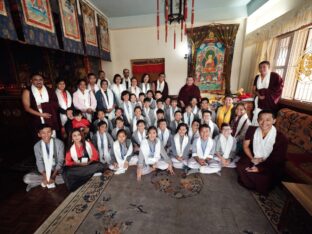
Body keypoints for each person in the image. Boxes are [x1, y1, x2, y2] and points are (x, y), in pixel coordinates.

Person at [236, 110, 288, 195]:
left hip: (269, 163)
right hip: (254, 157)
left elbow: (277, 159)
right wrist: (252, 159)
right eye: (261, 119)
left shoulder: (281, 138)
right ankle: (251, 180)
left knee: (265, 177)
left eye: (268, 120)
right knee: (241, 166)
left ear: (274, 120)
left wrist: (259, 168)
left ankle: (254, 182)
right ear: (257, 120)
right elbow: (245, 146)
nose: (264, 123)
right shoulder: (252, 129)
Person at [23, 124, 64, 191]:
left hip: (57, 170)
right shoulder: (37, 146)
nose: (46, 135)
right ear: (39, 134)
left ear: (52, 132)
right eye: (43, 133)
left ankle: (40, 182)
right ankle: (48, 181)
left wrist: (53, 176)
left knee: (68, 176)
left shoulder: (59, 143)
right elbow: (39, 162)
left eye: (48, 132)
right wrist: (45, 176)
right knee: (26, 178)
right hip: (44, 170)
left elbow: (60, 160)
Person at [22, 73, 60, 140]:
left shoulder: (49, 90)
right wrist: (41, 114)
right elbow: (27, 108)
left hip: (50, 118)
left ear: (43, 81)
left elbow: (56, 104)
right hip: (36, 120)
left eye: (40, 79)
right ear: (31, 81)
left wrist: (43, 105)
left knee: (52, 138)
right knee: (40, 139)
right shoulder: (27, 91)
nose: (38, 81)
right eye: (35, 80)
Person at [251, 61, 284, 125]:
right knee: (257, 116)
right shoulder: (257, 77)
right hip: (258, 101)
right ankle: (255, 130)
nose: (262, 69)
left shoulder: (274, 76)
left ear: (268, 68)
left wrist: (266, 92)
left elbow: (279, 87)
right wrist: (259, 95)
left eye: (264, 67)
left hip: (269, 102)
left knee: (266, 118)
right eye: (260, 67)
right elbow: (253, 90)